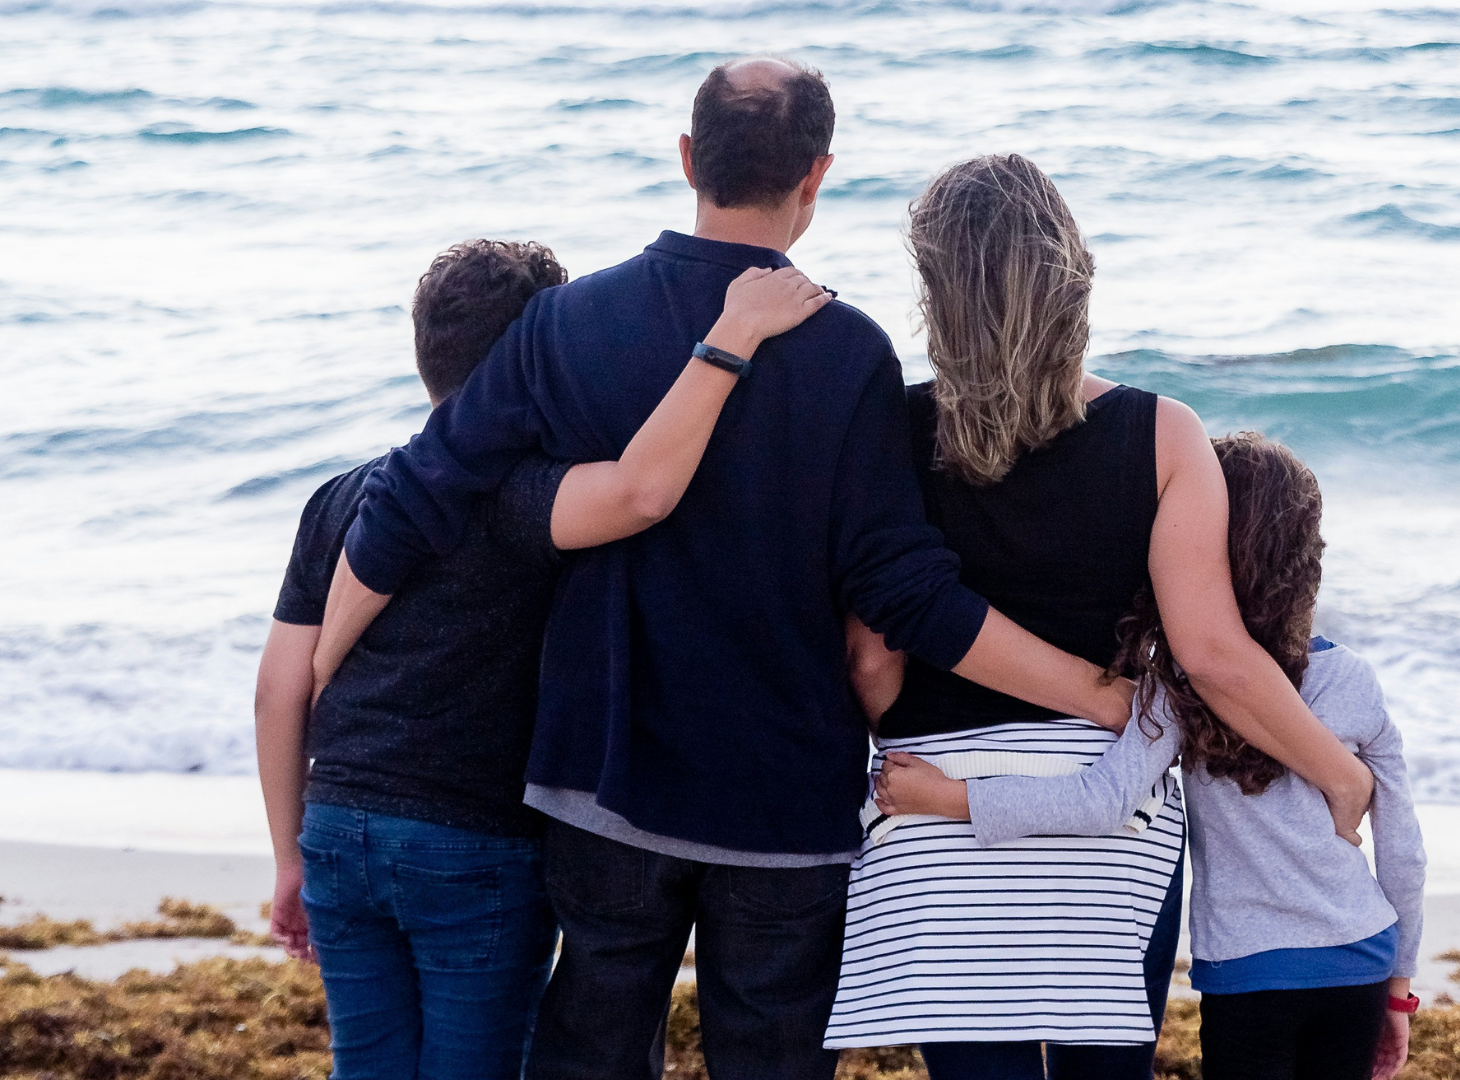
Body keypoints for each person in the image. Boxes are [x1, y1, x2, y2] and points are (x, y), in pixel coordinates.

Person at [312, 58, 1147, 1080]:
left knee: (593, 1053)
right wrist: (1102, 699)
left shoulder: (568, 324)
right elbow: (905, 592)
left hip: (601, 778)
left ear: (686, 158)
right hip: (782, 800)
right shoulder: (849, 353)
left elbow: (420, 494)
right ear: (818, 175)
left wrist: (321, 670)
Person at [821, 155, 1379, 1080]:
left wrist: (899, 730)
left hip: (939, 809)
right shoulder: (1163, 432)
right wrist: (1338, 775)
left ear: (935, 290)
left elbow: (872, 655)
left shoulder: (889, 428)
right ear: (1072, 274)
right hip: (1107, 814)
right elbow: (1213, 655)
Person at [255, 238, 830, 1079]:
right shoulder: (524, 499)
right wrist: (731, 341)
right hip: (474, 842)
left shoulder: (341, 498)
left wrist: (288, 856)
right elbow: (642, 489)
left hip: (339, 827)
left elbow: (278, 693)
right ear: (540, 356)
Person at [878, 433, 1428, 1080]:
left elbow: (1102, 801)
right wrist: (1400, 990)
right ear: (1306, 554)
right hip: (1361, 958)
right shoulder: (1354, 679)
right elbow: (1404, 852)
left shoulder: (1179, 682)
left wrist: (948, 797)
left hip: (1248, 973)